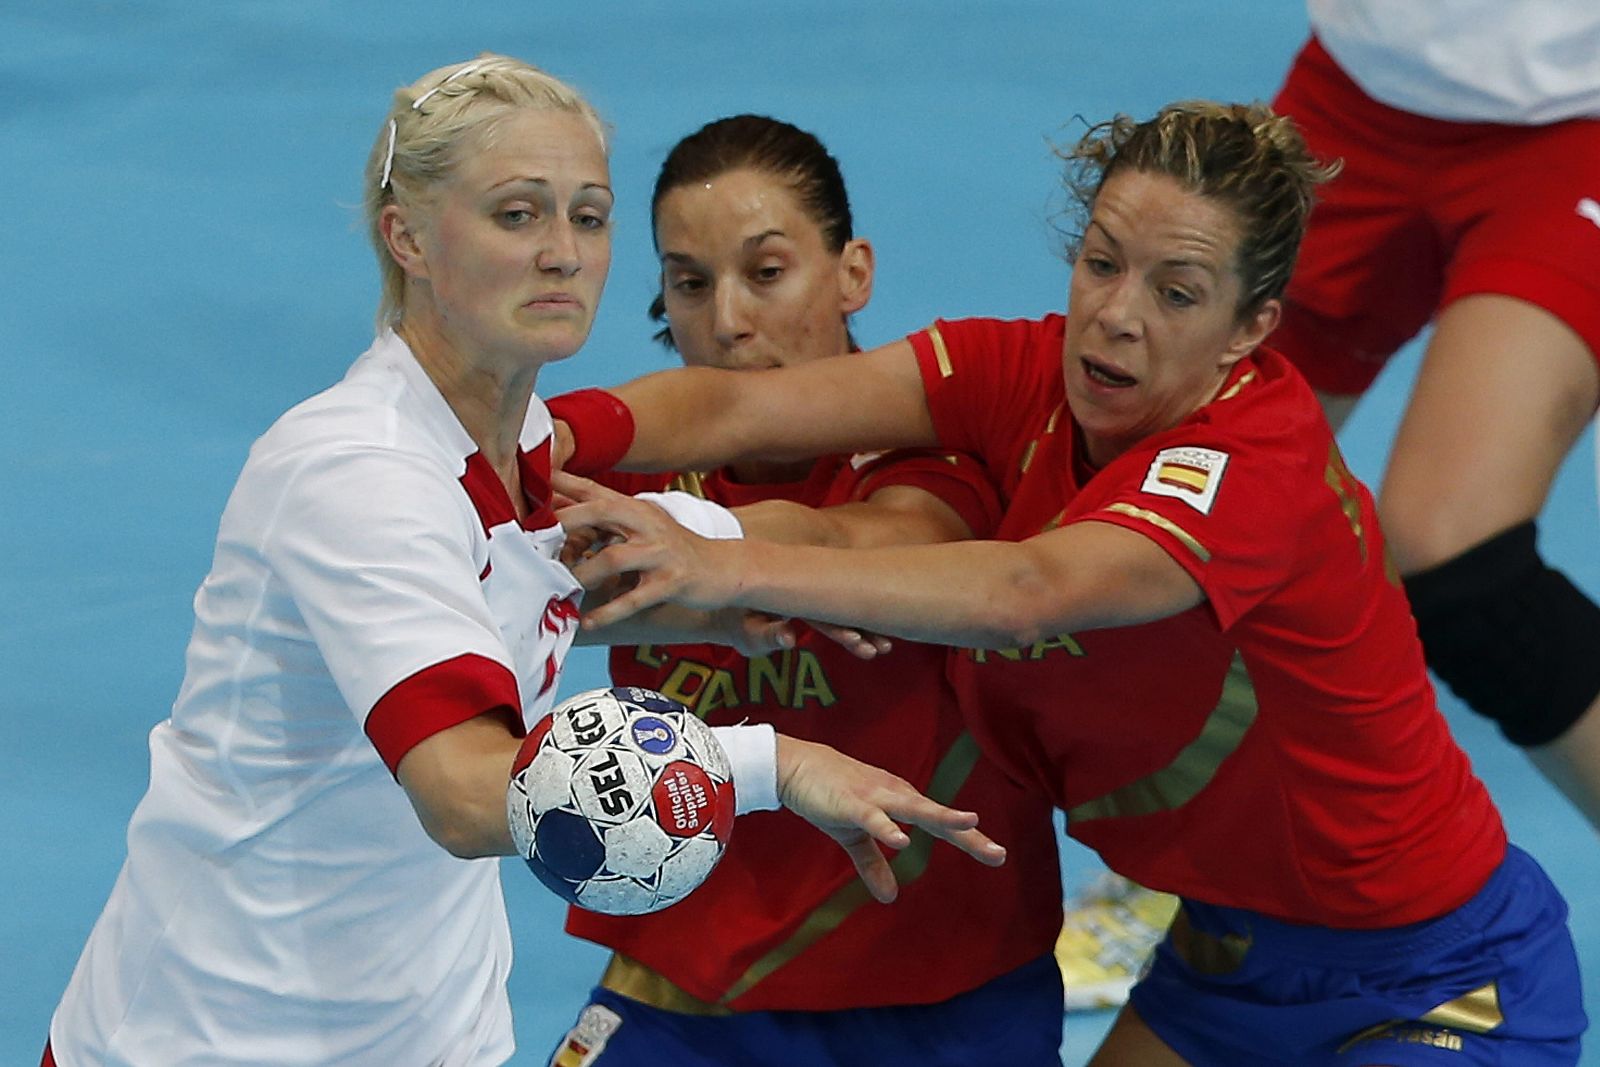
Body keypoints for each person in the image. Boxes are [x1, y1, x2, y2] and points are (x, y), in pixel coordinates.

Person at [551, 101, 1587, 1064]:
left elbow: (1028, 590)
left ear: (1252, 328)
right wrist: (537, 438)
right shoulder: (1024, 376)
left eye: (1174, 292)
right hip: (1222, 957)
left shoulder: (1251, 461)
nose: (1115, 317)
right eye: (1101, 264)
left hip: (1435, 971)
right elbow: (741, 412)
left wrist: (722, 560)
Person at [40, 55, 1005, 1067]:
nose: (561, 253)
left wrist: (707, 591)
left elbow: (535, 586)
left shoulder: (525, 452)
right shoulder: (360, 475)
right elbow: (464, 792)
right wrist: (776, 764)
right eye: (516, 215)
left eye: (587, 218)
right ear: (405, 235)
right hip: (210, 1042)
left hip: (426, 1032)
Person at [545, 115, 1066, 1067]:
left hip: (939, 995)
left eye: (768, 271)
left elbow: (865, 545)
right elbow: (476, 595)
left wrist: (701, 552)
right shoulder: (631, 475)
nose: (729, 320)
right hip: (685, 985)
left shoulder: (939, 459)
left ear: (853, 272)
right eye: (690, 283)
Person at [1267, 2, 1600, 828]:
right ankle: (1192, 873)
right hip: (1359, 77)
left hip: (1578, 120)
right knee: (1175, 510)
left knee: (1458, 557)